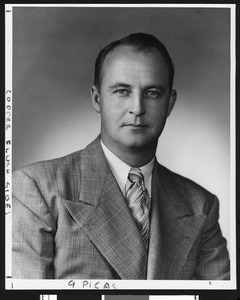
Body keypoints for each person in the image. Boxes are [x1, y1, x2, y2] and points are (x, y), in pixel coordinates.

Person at [12, 32, 230, 280]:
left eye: (152, 93)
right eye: (122, 91)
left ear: (169, 104)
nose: (137, 108)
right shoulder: (36, 189)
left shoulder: (200, 205)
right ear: (97, 98)